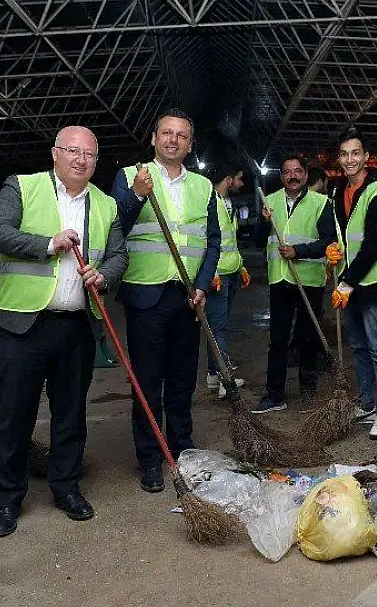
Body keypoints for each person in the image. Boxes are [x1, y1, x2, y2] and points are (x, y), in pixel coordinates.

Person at [0, 126, 126, 538]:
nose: (82, 160)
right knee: (14, 417)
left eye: (90, 155)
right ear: (55, 154)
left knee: (70, 415)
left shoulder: (105, 205)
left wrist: (105, 274)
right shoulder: (22, 187)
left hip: (76, 327)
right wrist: (48, 243)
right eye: (73, 151)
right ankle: (7, 500)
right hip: (23, 325)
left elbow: (119, 255)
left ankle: (66, 488)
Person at [111, 109, 220, 494]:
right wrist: (138, 196)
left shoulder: (203, 187)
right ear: (153, 138)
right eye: (167, 133)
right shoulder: (130, 176)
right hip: (146, 296)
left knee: (181, 380)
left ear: (190, 145)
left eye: (182, 135)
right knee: (146, 382)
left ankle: (183, 449)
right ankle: (151, 458)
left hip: (187, 297)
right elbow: (114, 227)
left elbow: (213, 242)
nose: (173, 140)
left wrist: (203, 285)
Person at [331, 128, 377, 440]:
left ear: (366, 158)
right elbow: (348, 236)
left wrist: (346, 282)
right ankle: (366, 402)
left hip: (374, 280)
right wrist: (332, 250)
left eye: (355, 153)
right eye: (345, 154)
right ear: (340, 159)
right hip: (351, 279)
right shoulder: (339, 193)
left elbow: (373, 243)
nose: (350, 159)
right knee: (359, 346)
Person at [253, 155, 338, 413]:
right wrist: (263, 221)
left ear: (305, 175)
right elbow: (258, 242)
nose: (293, 176)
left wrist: (297, 251)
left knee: (307, 339)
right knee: (277, 341)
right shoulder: (271, 201)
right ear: (281, 177)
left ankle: (308, 394)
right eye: (287, 172)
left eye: (298, 171)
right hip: (280, 280)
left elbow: (328, 241)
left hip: (308, 281)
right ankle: (274, 395)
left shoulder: (321, 203)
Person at [203, 159, 249, 398]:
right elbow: (205, 240)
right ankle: (224, 378)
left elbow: (230, 239)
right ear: (229, 179)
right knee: (218, 328)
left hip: (231, 273)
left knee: (218, 326)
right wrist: (213, 272)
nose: (241, 183)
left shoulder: (228, 203)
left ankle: (213, 375)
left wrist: (241, 266)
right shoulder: (210, 202)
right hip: (218, 275)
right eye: (239, 178)